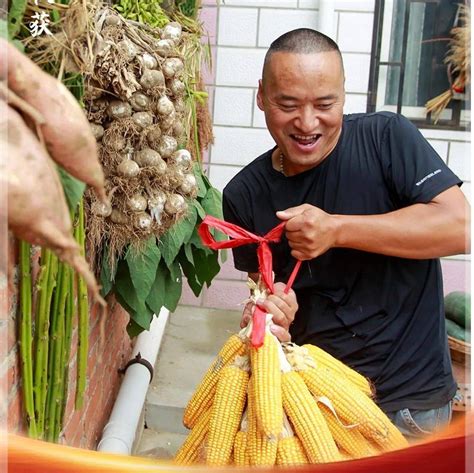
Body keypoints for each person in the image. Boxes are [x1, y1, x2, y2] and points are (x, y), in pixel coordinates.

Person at [222, 28, 470, 439]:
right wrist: (272, 316)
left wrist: (336, 229)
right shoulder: (244, 195)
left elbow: (459, 227)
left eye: (324, 104)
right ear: (261, 96)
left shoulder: (386, 138)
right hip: (318, 404)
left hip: (411, 405)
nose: (306, 123)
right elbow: (268, 295)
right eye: (287, 104)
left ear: (343, 96)